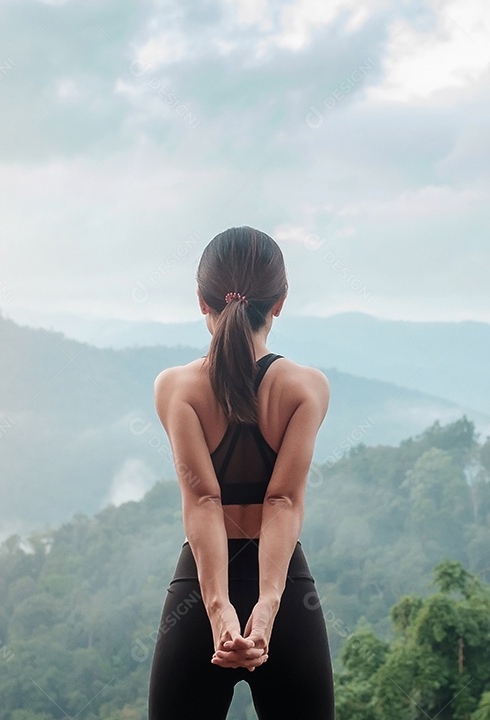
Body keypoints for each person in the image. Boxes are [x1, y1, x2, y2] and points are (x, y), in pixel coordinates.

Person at [147, 226, 335, 718]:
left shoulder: (177, 389)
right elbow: (283, 502)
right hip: (286, 589)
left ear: (201, 301)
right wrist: (268, 606)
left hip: (200, 591)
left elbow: (204, 501)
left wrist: (218, 608)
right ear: (281, 301)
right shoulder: (305, 388)